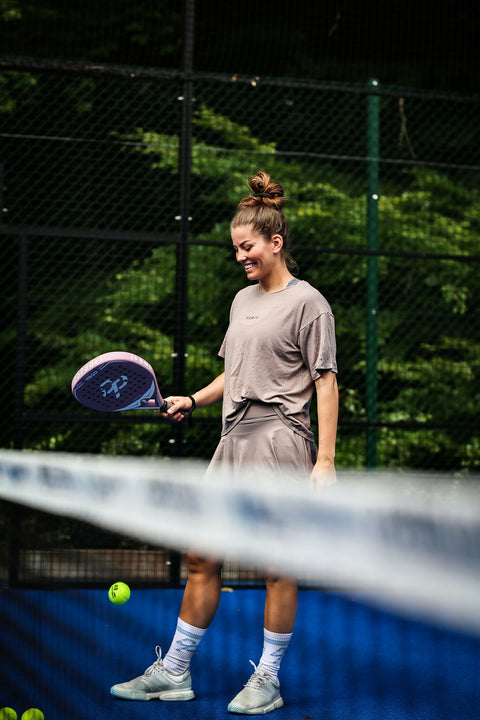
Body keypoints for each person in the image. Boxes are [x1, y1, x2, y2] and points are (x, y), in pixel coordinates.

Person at [110, 170, 338, 714]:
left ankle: (268, 679)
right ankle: (176, 671)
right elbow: (234, 375)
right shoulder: (241, 302)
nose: (240, 256)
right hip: (231, 438)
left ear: (275, 243)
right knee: (199, 554)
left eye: (248, 246)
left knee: (276, 565)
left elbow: (325, 380)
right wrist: (191, 398)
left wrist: (324, 459)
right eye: (236, 248)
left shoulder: (310, 304)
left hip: (283, 439)